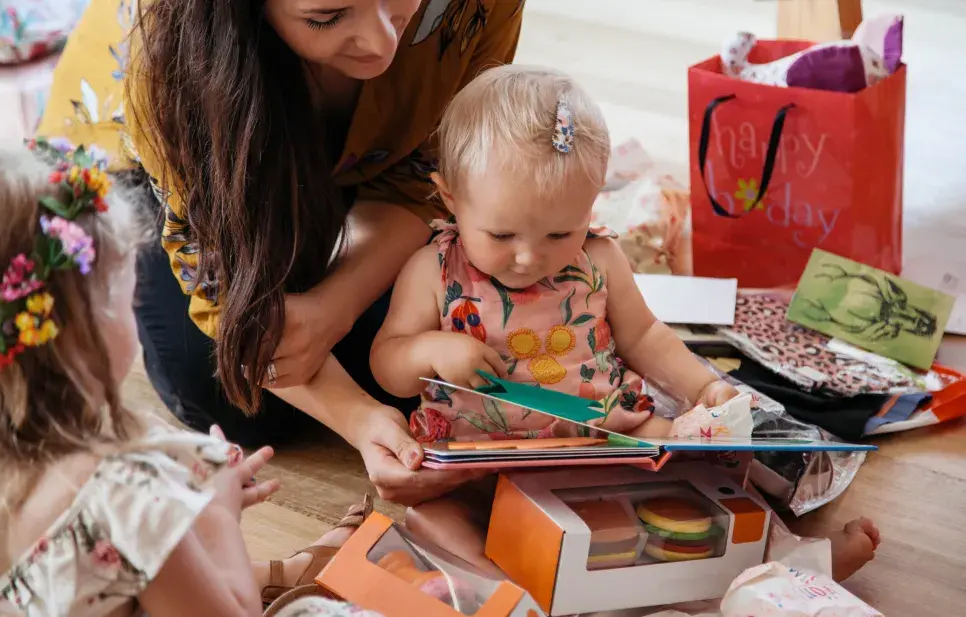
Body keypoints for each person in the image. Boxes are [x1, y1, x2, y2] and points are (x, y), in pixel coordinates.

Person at [367, 64, 881, 583]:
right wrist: (431, 349)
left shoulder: (599, 258)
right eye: (501, 234)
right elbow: (388, 362)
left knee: (698, 466)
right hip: (482, 460)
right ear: (451, 197)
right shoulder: (434, 270)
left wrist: (704, 386)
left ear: (592, 204)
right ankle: (505, 590)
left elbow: (645, 337)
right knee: (433, 517)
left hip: (606, 436)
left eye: (559, 233)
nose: (528, 257)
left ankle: (790, 558)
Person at [35, 0, 525, 505]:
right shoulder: (168, 62)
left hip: (369, 161)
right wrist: (356, 415)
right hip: (167, 162)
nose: (382, 43)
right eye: (327, 16)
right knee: (224, 390)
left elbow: (426, 171)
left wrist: (337, 307)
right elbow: (221, 292)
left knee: (423, 341)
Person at [0, 141, 375, 617]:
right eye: (128, 300)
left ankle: (283, 574)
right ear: (86, 332)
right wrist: (217, 518)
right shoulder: (121, 492)